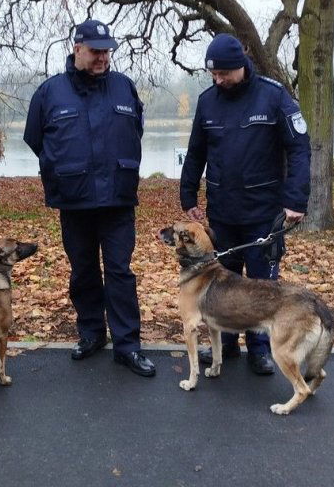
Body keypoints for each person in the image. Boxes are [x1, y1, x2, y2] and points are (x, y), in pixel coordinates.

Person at [23, 19, 155, 377]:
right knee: (83, 271)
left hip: (117, 200)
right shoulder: (50, 92)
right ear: (77, 48)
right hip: (75, 200)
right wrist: (64, 167)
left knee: (120, 273)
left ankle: (128, 346)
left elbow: (135, 130)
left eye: (106, 51)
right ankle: (92, 333)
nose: (102, 57)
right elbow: (35, 138)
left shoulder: (124, 87)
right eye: (95, 51)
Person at [180, 33, 311, 375]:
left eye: (224, 73)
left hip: (263, 214)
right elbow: (196, 152)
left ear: (241, 65)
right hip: (222, 212)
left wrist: (296, 200)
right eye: (213, 74)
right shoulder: (208, 101)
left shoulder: (273, 96)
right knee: (221, 284)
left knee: (260, 287)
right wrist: (188, 196)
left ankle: (259, 350)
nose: (218, 80)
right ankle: (226, 346)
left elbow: (299, 148)